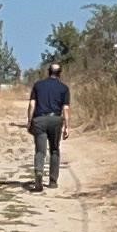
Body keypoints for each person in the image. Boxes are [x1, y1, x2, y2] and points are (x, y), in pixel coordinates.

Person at [28, 58, 72, 189]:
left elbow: (32, 104)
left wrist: (30, 121)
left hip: (39, 120)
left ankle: (39, 172)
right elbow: (65, 108)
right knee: (54, 149)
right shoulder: (64, 88)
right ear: (60, 73)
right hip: (55, 120)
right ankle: (53, 181)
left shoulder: (38, 85)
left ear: (48, 72)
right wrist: (67, 126)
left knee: (40, 150)